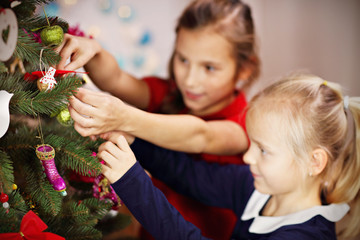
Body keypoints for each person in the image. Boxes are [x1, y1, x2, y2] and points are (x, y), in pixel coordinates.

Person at [56, 0, 260, 239]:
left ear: (244, 69)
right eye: (183, 60)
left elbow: (200, 135)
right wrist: (93, 50)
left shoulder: (246, 121)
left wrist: (124, 118)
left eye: (209, 68)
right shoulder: (170, 93)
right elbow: (116, 80)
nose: (191, 80)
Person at [97, 74, 360, 240]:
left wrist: (131, 181)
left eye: (263, 150)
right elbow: (189, 173)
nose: (247, 157)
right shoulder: (260, 189)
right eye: (252, 144)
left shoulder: (304, 235)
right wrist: (134, 141)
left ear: (314, 162)